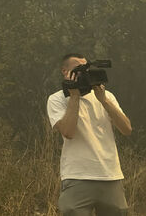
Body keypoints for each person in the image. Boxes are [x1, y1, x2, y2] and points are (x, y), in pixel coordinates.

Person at [46, 53, 133, 215]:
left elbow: (127, 129)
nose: (83, 73)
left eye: (86, 68)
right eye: (78, 69)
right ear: (65, 72)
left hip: (110, 175)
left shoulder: (107, 97)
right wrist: (74, 97)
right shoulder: (56, 99)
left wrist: (104, 100)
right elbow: (69, 132)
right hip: (77, 175)